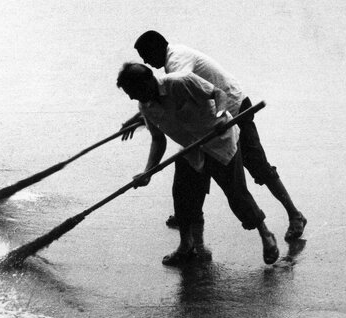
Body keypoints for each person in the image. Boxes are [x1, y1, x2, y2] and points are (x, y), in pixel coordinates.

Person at [130, 31, 308, 244]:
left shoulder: (177, 61)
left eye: (146, 55)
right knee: (197, 166)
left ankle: (294, 214)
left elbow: (176, 88)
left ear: (157, 48)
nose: (146, 61)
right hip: (208, 124)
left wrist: (144, 114)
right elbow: (164, 98)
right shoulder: (169, 63)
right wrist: (144, 114)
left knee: (257, 166)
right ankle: (190, 214)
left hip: (233, 109)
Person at [116, 63, 279, 266]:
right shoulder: (145, 106)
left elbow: (219, 94)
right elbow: (158, 140)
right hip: (191, 150)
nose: (132, 97)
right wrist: (147, 172)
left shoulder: (180, 81)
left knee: (237, 195)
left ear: (147, 81)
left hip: (220, 142)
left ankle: (266, 235)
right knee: (182, 196)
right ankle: (186, 245)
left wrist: (220, 116)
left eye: (134, 91)